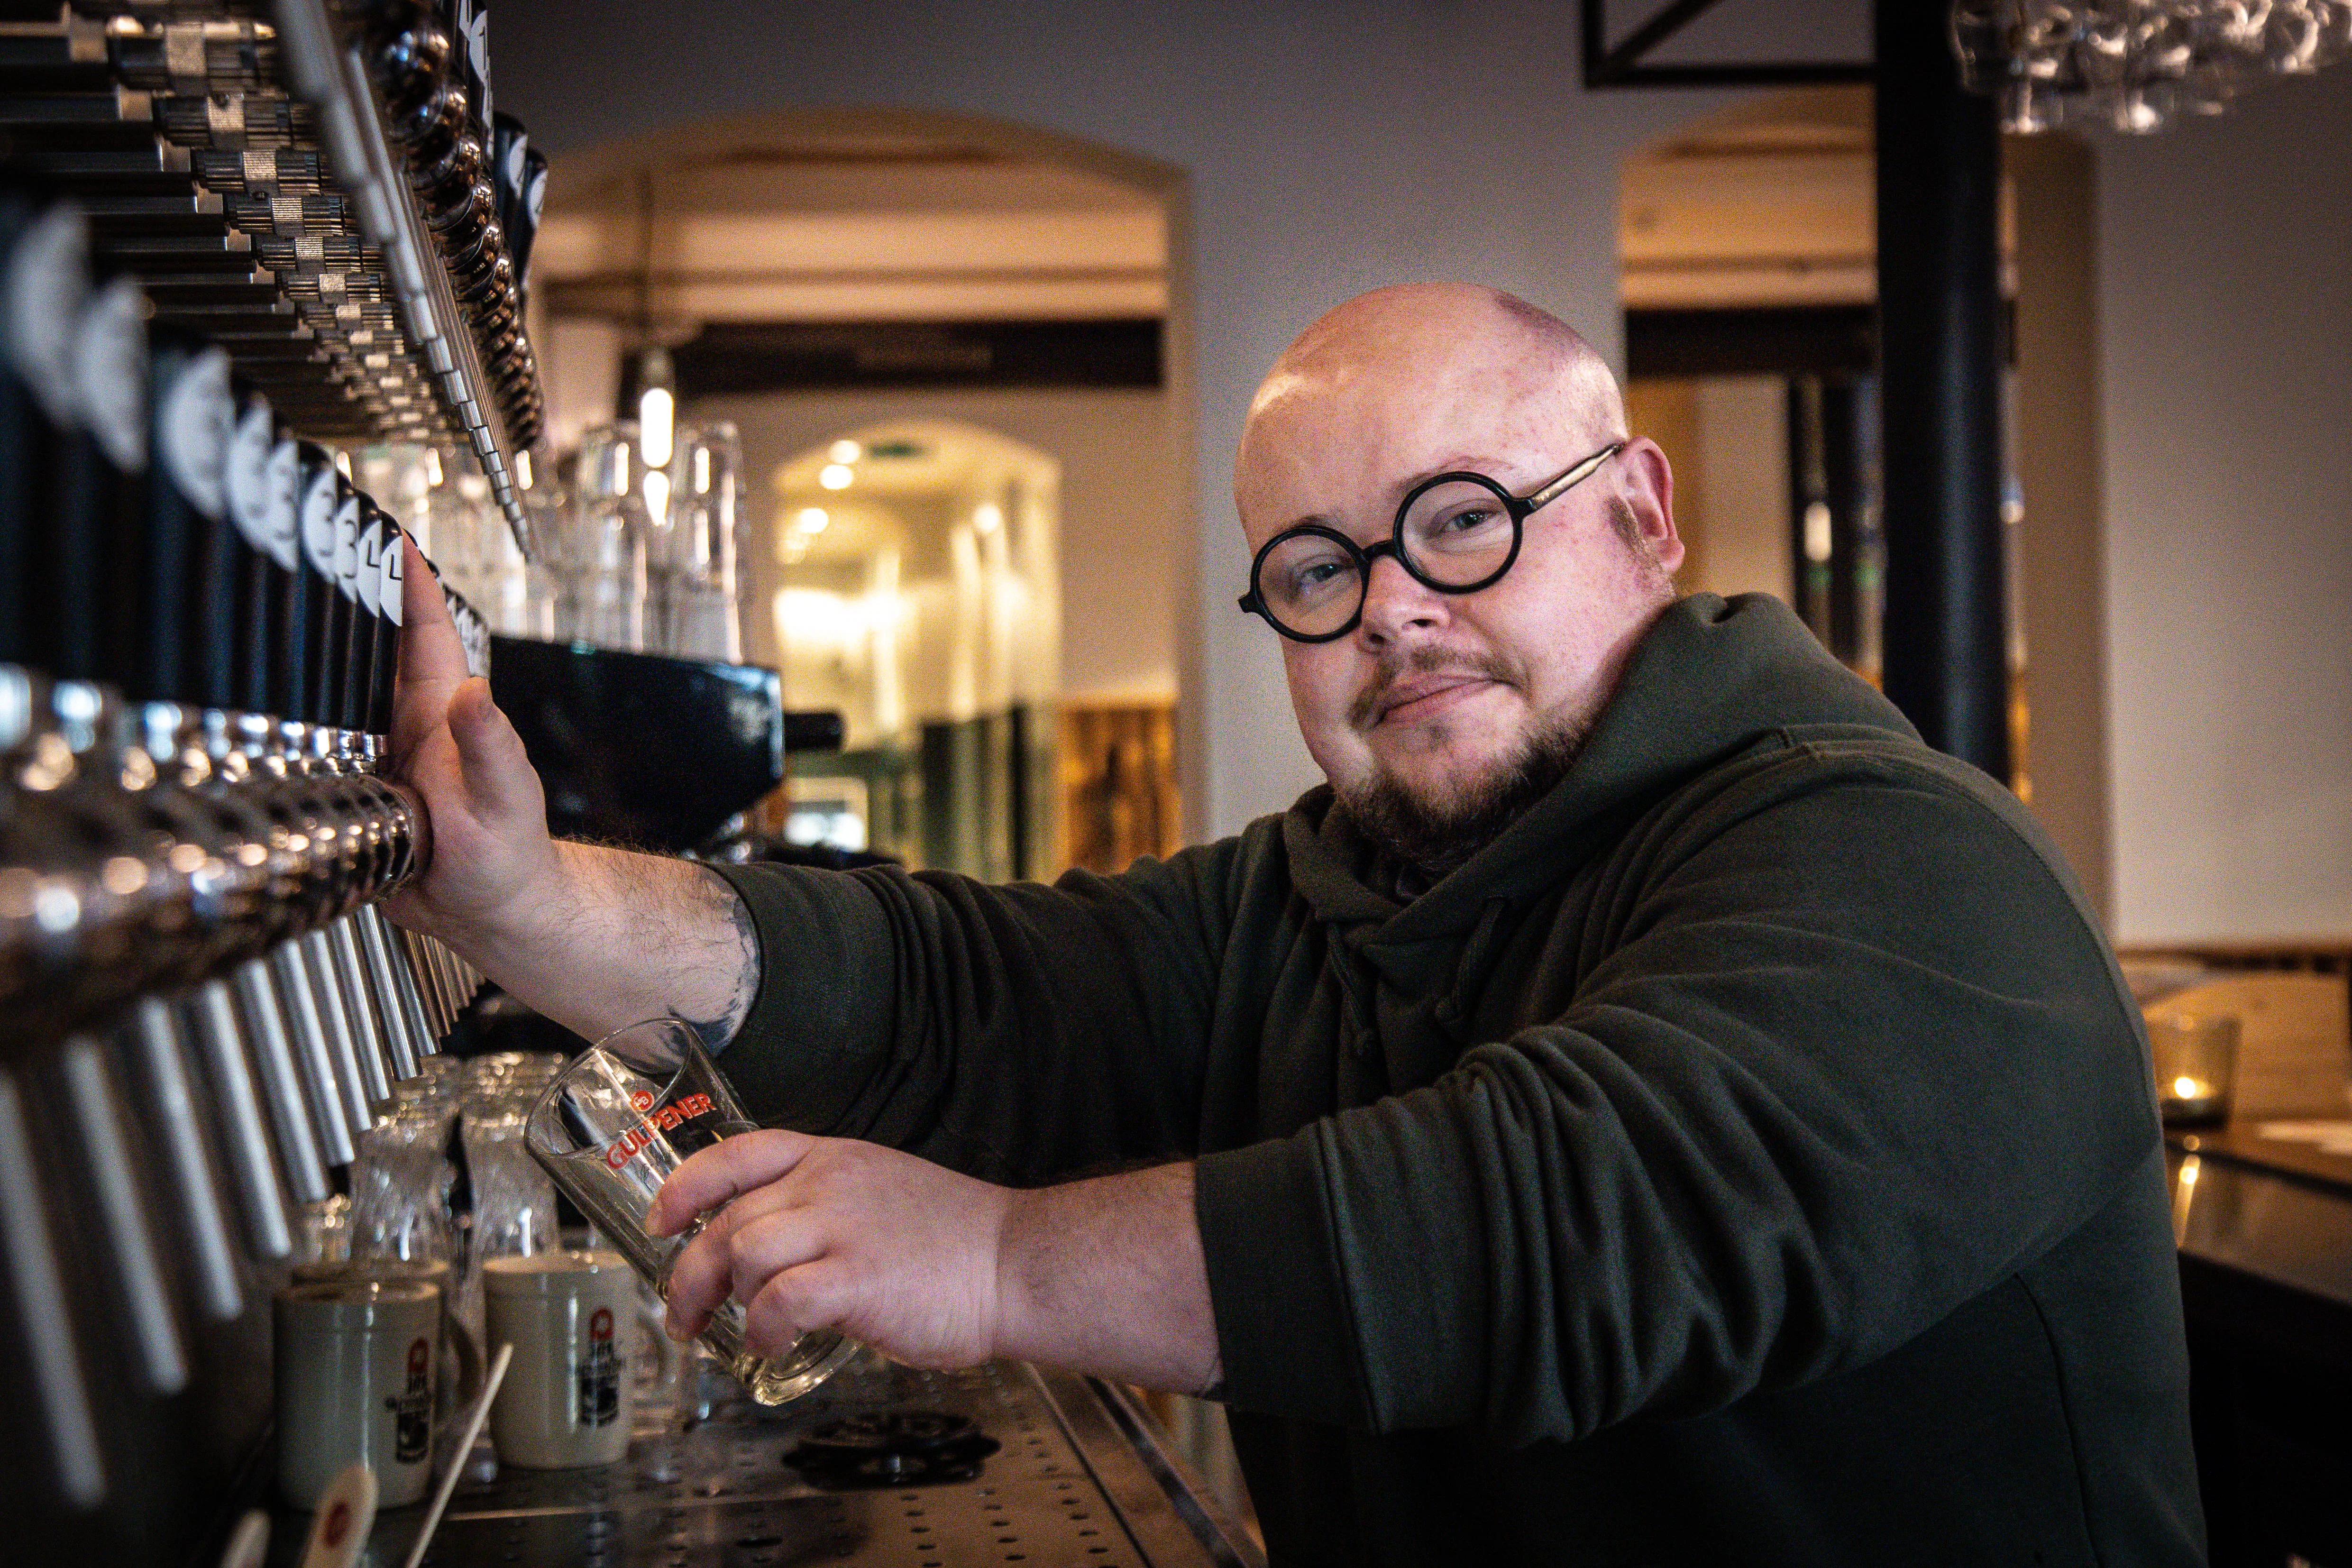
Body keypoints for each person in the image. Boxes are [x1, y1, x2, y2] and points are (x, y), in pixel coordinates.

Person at [388, 284, 2202, 1566]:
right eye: (1321, 567)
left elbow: (1571, 1217)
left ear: (1643, 516)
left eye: (1464, 523)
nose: (1393, 608)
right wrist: (523, 900)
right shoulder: (1326, 888)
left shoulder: (1903, 857)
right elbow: (979, 994)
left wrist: (1004, 1262)